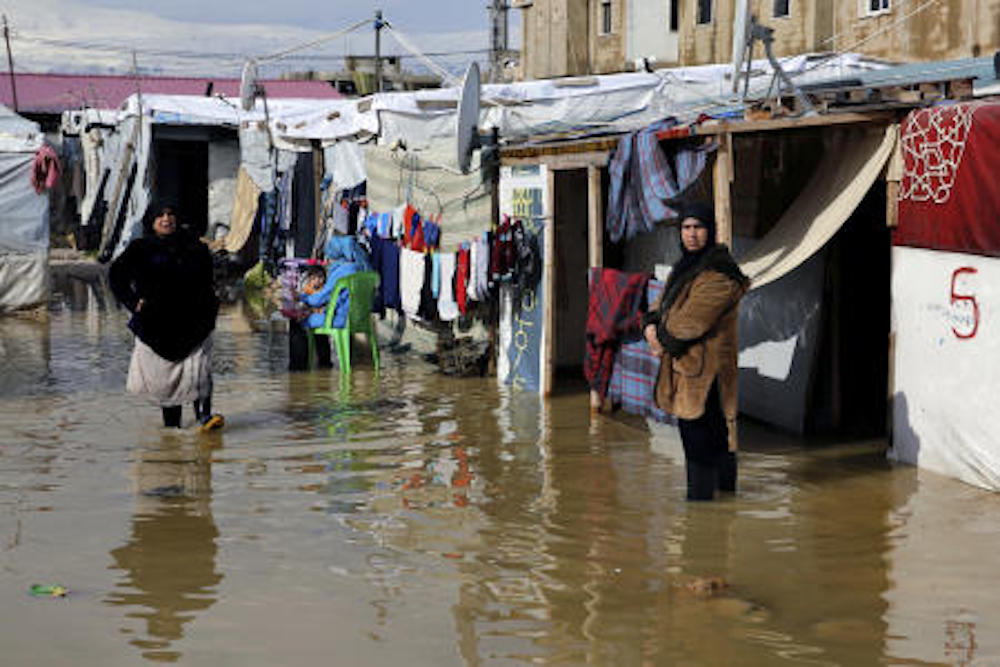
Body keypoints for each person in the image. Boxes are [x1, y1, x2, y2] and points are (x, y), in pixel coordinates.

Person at [644, 202, 749, 500]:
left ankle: (703, 514)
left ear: (711, 231)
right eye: (686, 228)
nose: (692, 234)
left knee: (703, 441)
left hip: (708, 374)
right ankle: (718, 511)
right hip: (688, 369)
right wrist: (650, 326)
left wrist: (657, 337)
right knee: (708, 438)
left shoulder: (719, 273)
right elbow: (659, 306)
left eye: (698, 228)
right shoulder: (686, 267)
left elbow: (689, 323)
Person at [109, 201, 223, 430]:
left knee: (198, 373)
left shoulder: (195, 247)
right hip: (157, 324)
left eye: (171, 214)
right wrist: (133, 303)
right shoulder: (140, 249)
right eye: (160, 215)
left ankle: (205, 418)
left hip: (194, 322)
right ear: (151, 220)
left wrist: (210, 308)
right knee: (166, 381)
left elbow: (210, 280)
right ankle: (172, 429)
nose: (166, 219)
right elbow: (116, 277)